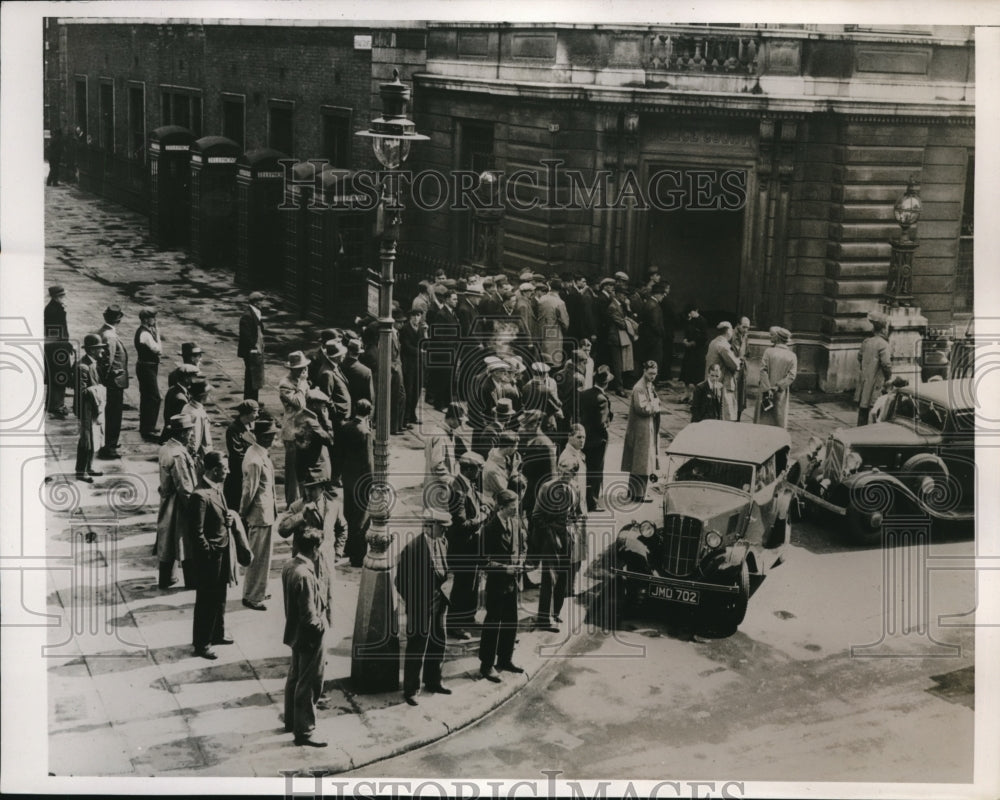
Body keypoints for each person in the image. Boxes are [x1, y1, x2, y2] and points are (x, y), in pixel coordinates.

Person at [189, 451, 251, 660]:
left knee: (220, 597)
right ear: (215, 470)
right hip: (210, 558)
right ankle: (202, 643)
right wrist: (208, 553)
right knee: (206, 600)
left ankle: (217, 633)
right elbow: (195, 533)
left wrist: (229, 522)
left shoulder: (216, 489)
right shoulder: (199, 496)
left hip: (222, 552)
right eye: (225, 468)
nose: (228, 471)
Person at [395, 508, 454, 705]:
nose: (445, 532)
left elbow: (446, 569)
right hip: (421, 606)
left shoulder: (443, 542)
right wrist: (415, 602)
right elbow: (400, 581)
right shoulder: (412, 549)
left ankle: (434, 681)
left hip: (440, 603)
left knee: (439, 642)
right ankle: (411, 688)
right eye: (442, 528)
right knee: (417, 647)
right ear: (431, 525)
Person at [281, 526, 330, 747]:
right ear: (315, 550)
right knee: (309, 682)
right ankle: (305, 731)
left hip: (294, 632)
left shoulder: (290, 566)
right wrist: (321, 625)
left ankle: (291, 721)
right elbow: (310, 617)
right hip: (310, 636)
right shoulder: (306, 574)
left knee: (294, 676)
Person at [478, 489, 527, 683]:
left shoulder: (515, 524)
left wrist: (521, 561)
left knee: (510, 623)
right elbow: (483, 561)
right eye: (513, 507)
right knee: (492, 625)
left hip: (512, 584)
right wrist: (504, 569)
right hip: (497, 585)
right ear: (502, 507)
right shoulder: (489, 529)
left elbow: (523, 547)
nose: (516, 510)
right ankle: (486, 665)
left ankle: (505, 659)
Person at [155, 413, 198, 590]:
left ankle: (166, 578)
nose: (191, 435)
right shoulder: (178, 454)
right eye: (189, 432)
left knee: (166, 541)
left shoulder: (166, 448)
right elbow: (185, 485)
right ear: (182, 433)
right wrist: (194, 508)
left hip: (167, 500)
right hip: (178, 503)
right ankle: (191, 580)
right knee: (186, 542)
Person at [446, 451, 487, 640]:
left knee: (473, 583)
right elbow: (461, 524)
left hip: (472, 546)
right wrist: (482, 518)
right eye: (479, 468)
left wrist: (482, 507)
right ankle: (454, 625)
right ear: (469, 469)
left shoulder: (467, 483)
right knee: (462, 586)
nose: (480, 472)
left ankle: (469, 616)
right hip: (462, 547)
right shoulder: (458, 490)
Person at [240, 416, 280, 610]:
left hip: (265, 512)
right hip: (259, 514)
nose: (274, 439)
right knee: (257, 557)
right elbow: (249, 490)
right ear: (263, 437)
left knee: (264, 556)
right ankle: (252, 596)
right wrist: (243, 513)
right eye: (271, 435)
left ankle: (259, 590)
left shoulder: (256, 452)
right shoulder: (256, 459)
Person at [531, 469, 576, 634]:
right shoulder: (546, 488)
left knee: (563, 576)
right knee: (549, 578)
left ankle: (555, 612)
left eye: (570, 472)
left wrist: (572, 528)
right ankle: (544, 618)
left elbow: (574, 513)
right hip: (549, 537)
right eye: (563, 470)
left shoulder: (572, 489)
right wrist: (551, 535)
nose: (566, 475)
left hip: (567, 537)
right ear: (558, 470)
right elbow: (536, 516)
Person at [340, 397, 374, 567]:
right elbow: (368, 461)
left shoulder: (346, 427)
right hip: (361, 480)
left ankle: (347, 546)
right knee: (361, 518)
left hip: (347, 477)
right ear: (370, 412)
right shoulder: (365, 432)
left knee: (349, 513)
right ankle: (358, 555)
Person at [621, 361, 661, 503]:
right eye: (650, 374)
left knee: (642, 462)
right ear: (644, 371)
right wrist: (656, 406)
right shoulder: (639, 388)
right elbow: (643, 409)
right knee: (642, 463)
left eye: (655, 374)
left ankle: (634, 492)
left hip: (646, 428)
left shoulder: (648, 385)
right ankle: (639, 494)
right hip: (641, 430)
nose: (652, 377)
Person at [278, 350, 311, 505]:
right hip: (291, 431)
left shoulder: (301, 381)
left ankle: (302, 500)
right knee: (292, 471)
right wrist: (302, 384)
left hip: (303, 429)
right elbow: (299, 403)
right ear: (292, 369)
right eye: (300, 368)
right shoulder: (285, 384)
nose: (303, 371)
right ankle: (292, 502)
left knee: (303, 467)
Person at [579, 365, 613, 512]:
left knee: (585, 470)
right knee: (596, 471)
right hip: (597, 440)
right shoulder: (602, 399)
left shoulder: (584, 393)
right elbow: (601, 423)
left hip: (585, 437)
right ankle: (592, 502)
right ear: (606, 383)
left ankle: (585, 499)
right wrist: (606, 433)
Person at [73, 333, 107, 483]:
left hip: (93, 406)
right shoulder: (83, 366)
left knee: (94, 438)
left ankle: (89, 467)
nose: (102, 351)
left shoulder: (92, 363)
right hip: (85, 408)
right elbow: (82, 392)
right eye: (100, 348)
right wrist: (98, 389)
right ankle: (81, 472)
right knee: (86, 441)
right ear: (92, 350)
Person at [97, 304, 128, 459]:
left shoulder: (103, 331)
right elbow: (107, 361)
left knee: (110, 414)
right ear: (119, 319)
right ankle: (110, 447)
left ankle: (109, 443)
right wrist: (108, 377)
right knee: (114, 415)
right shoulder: (110, 335)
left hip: (111, 381)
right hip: (114, 382)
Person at [423, 400, 466, 512]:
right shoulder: (441, 436)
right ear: (451, 419)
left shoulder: (442, 432)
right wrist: (450, 480)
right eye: (459, 421)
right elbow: (437, 464)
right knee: (437, 520)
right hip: (438, 486)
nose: (461, 424)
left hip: (435, 485)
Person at [755, 327, 798, 429]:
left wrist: (767, 388)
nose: (771, 337)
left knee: (763, 419)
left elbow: (763, 370)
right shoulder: (792, 356)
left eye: (773, 335)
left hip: (765, 392)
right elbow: (791, 376)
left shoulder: (768, 352)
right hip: (780, 393)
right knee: (779, 417)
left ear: (778, 338)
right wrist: (777, 387)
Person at [854, 315, 892, 426]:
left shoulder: (866, 342)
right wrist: (889, 378)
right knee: (877, 408)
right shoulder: (883, 344)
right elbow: (886, 364)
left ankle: (859, 432)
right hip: (877, 381)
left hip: (865, 380)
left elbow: (859, 357)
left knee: (863, 408)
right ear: (884, 329)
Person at [224, 399, 259, 510]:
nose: (257, 415)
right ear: (246, 413)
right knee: (235, 502)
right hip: (238, 472)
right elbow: (236, 454)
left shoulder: (250, 426)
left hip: (248, 471)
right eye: (255, 412)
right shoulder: (233, 430)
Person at [134, 308, 163, 441]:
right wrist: (157, 334)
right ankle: (148, 427)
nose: (155, 321)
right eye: (153, 318)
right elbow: (158, 350)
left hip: (147, 366)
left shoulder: (145, 332)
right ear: (146, 319)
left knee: (147, 396)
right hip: (147, 367)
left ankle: (146, 425)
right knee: (154, 397)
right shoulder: (145, 334)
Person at [44, 285, 73, 418]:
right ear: (56, 297)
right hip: (57, 349)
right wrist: (65, 345)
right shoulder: (54, 310)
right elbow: (55, 332)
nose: (64, 298)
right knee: (59, 375)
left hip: (57, 347)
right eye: (62, 296)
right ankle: (57, 405)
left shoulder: (55, 308)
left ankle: (54, 403)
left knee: (57, 376)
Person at [705, 321, 742, 421]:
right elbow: (734, 365)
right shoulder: (723, 346)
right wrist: (739, 361)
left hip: (712, 380)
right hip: (722, 381)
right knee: (725, 412)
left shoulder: (713, 342)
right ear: (728, 331)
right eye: (731, 330)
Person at [399, 308, 427, 427]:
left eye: (419, 316)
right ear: (410, 317)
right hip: (409, 364)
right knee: (409, 391)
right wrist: (420, 351)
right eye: (414, 316)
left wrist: (426, 333)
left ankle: (412, 414)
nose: (416, 318)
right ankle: (405, 418)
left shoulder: (421, 329)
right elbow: (406, 346)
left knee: (417, 390)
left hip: (419, 364)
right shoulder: (405, 328)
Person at [238, 292, 266, 401]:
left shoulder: (255, 313)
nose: (262, 304)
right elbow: (246, 337)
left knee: (256, 378)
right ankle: (250, 400)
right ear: (255, 302)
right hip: (252, 353)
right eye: (261, 301)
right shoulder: (247, 316)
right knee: (251, 378)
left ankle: (254, 400)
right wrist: (254, 349)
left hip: (256, 351)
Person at [161, 363, 199, 443]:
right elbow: (180, 423)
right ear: (186, 378)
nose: (196, 380)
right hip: (174, 437)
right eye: (194, 377)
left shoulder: (173, 389)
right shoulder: (181, 399)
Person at [679, 303, 708, 403]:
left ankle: (694, 395)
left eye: (691, 312)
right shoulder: (689, 321)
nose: (690, 314)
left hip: (698, 351)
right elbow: (686, 332)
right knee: (686, 372)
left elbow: (704, 338)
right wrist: (685, 340)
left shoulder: (703, 321)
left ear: (696, 310)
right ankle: (686, 393)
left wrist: (693, 343)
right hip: (689, 351)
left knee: (696, 374)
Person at [182, 379, 214, 470]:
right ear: (203, 396)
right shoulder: (196, 414)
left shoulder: (188, 407)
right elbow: (194, 440)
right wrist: (193, 459)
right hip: (200, 457)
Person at [537, 280, 570, 365]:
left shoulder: (542, 299)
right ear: (560, 289)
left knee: (543, 356)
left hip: (541, 330)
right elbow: (565, 321)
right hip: (554, 333)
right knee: (553, 358)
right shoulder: (560, 302)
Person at [732, 316, 752, 420]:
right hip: (733, 368)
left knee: (741, 393)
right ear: (738, 325)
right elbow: (736, 353)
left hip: (742, 368)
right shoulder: (732, 335)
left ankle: (738, 416)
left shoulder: (745, 336)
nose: (746, 330)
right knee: (733, 392)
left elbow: (747, 353)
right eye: (744, 327)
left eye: (748, 328)